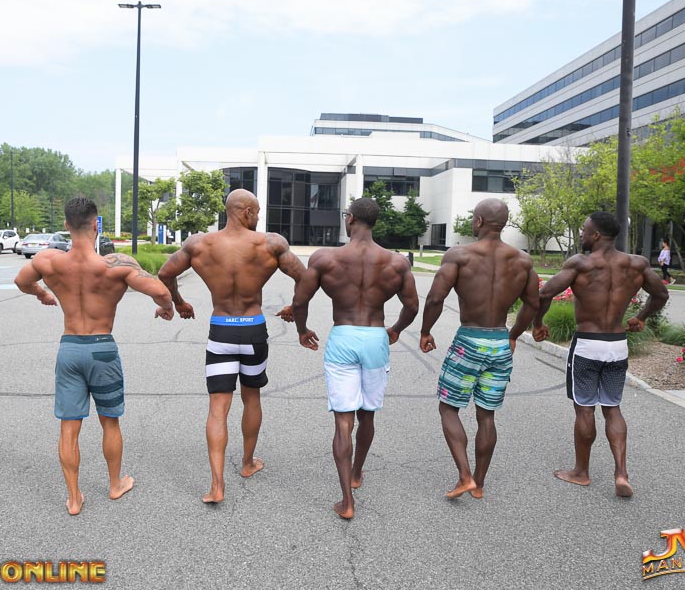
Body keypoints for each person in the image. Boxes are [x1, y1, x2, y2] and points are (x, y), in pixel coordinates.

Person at [15, 197, 174, 515]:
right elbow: (161, 291)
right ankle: (115, 485)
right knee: (110, 422)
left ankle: (74, 498)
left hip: (70, 348)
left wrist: (43, 293)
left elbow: (21, 281)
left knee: (68, 427)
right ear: (95, 225)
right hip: (102, 349)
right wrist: (166, 308)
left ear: (66, 225)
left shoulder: (49, 261)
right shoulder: (115, 264)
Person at [157, 189, 305, 504]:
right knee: (251, 398)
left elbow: (165, 273)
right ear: (247, 212)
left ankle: (216, 485)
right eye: (258, 212)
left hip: (221, 332)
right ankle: (248, 463)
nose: (259, 218)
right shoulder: (271, 243)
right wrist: (294, 307)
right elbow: (305, 278)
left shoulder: (199, 244)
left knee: (217, 408)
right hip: (253, 331)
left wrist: (179, 302)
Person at [292, 197, 419, 519]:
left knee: (343, 421)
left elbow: (300, 301)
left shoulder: (325, 258)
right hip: (375, 337)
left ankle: (346, 501)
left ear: (349, 219)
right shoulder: (396, 262)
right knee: (368, 415)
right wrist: (395, 330)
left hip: (343, 336)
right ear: (374, 222)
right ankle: (358, 472)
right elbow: (412, 306)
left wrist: (302, 330)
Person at [533, 212, 668, 498]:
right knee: (612, 407)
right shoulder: (637, 264)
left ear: (596, 235)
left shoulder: (581, 264)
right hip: (617, 345)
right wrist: (641, 316)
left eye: (584, 230)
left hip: (587, 344)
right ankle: (621, 473)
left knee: (584, 408)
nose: (582, 234)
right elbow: (661, 295)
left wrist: (538, 324)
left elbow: (545, 294)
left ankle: (581, 472)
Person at [419, 198, 539, 501]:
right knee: (487, 416)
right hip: (499, 341)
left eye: (474, 218)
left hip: (469, 340)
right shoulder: (523, 260)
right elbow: (532, 304)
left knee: (449, 408)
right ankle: (479, 483)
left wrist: (425, 331)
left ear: (480, 221)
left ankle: (465, 476)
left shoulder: (459, 255)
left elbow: (435, 298)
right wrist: (514, 335)